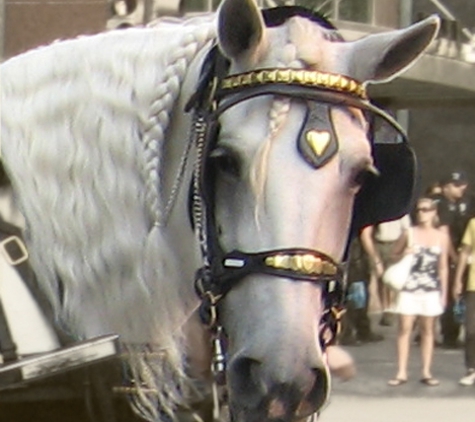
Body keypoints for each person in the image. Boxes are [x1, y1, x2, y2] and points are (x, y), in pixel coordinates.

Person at [388, 197, 449, 387]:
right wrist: (404, 253)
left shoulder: (441, 237)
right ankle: (401, 372)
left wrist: (444, 292)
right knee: (404, 329)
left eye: (426, 209)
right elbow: (392, 254)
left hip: (430, 289)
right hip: (409, 288)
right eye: (420, 210)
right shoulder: (409, 233)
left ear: (434, 213)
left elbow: (443, 267)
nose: (422, 213)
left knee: (428, 331)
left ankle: (426, 371)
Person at [432, 170, 475, 348]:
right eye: (456, 186)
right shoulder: (441, 205)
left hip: (464, 250)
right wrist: (454, 257)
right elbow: (444, 234)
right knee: (451, 294)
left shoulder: (464, 203)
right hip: (449, 256)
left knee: (464, 295)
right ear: (446, 187)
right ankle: (449, 334)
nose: (460, 189)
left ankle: (462, 331)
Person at [361, 215, 411, 326]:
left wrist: (402, 247)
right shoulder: (381, 210)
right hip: (379, 243)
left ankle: (392, 308)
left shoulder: (400, 210)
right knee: (381, 278)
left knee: (392, 277)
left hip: (395, 243)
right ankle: (385, 309)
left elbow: (406, 229)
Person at [339, 234, 384, 345]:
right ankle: (351, 332)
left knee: (353, 296)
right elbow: (366, 235)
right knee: (357, 297)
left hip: (350, 259)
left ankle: (357, 330)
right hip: (356, 260)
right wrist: (376, 260)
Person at [453, 216, 475, 386]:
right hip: (473, 285)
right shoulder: (473, 224)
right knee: (471, 330)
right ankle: (471, 369)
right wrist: (458, 279)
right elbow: (465, 252)